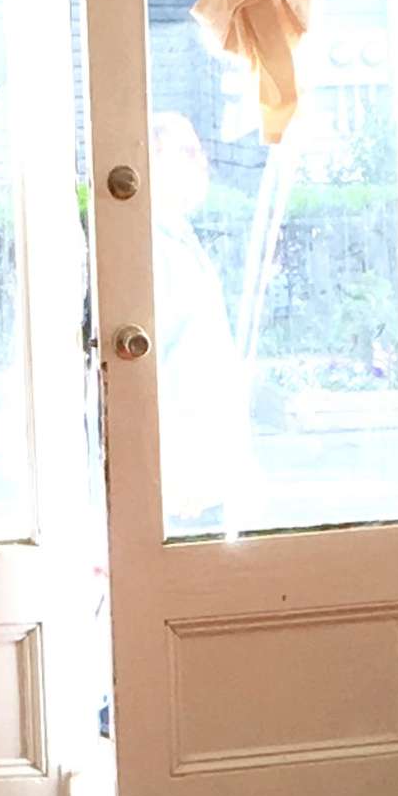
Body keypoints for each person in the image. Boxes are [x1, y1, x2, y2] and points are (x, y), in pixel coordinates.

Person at [148, 110, 253, 535]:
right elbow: (152, 371)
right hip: (183, 491)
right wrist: (176, 473)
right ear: (152, 160)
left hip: (203, 478)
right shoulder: (152, 246)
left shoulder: (177, 236)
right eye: (187, 152)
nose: (202, 162)